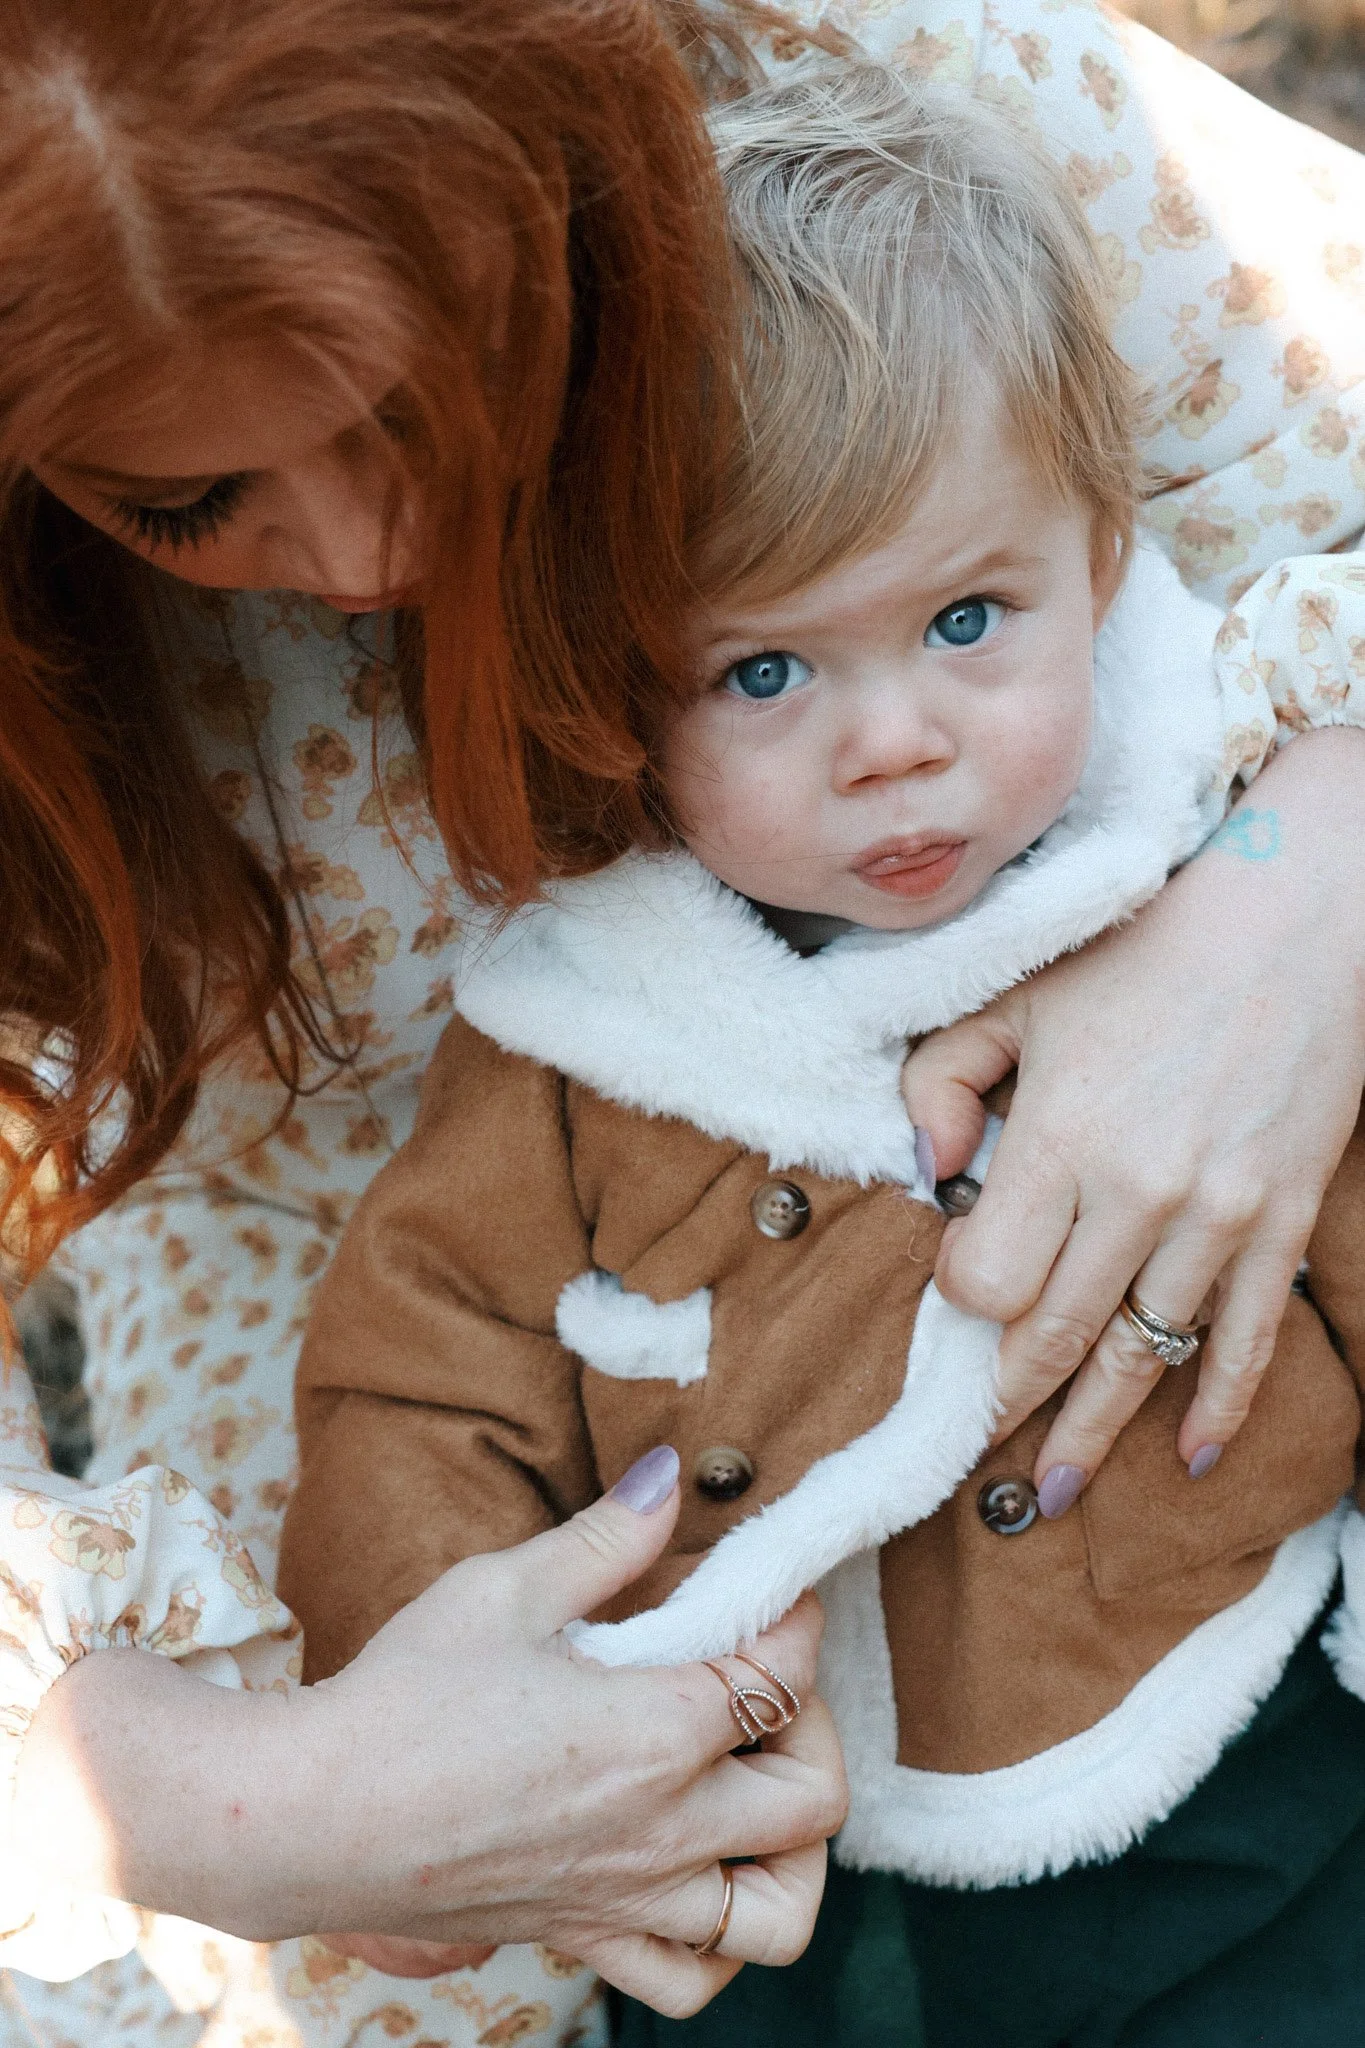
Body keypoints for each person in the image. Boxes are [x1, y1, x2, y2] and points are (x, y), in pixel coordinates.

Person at [5, 0, 1365, 2041]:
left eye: (431, 390)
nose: (373, 554)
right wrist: (262, 1792)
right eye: (187, 502)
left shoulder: (872, 104)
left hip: (1202, 1728)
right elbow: (408, 1370)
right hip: (465, 1554)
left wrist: (1298, 902)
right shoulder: (549, 1066)